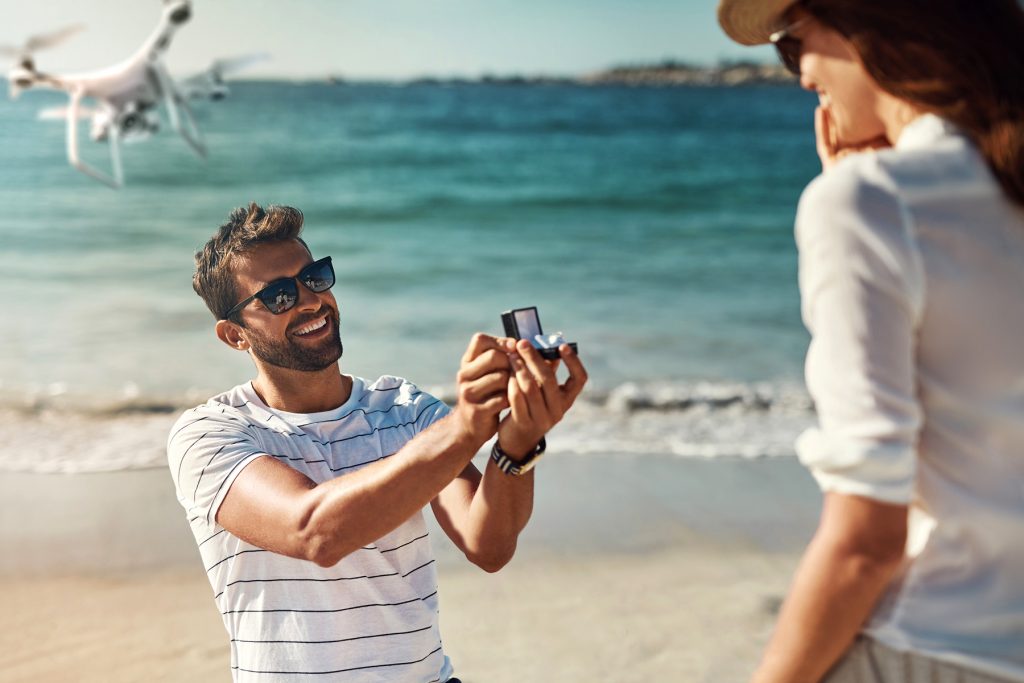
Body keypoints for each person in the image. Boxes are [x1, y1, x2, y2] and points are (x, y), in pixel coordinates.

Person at [717, 0, 1024, 681]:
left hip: (939, 642)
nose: (800, 77)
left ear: (871, 24)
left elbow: (866, 544)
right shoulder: (983, 185)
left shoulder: (872, 204)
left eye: (795, 44)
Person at [167, 203, 587, 682]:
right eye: (279, 296)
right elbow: (315, 533)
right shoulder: (208, 435)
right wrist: (466, 428)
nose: (309, 301)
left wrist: (517, 445)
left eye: (315, 277)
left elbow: (488, 546)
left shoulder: (405, 410)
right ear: (233, 335)